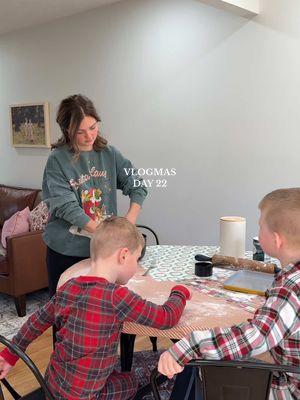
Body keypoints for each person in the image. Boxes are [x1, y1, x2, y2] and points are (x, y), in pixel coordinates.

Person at [0, 217, 191, 400]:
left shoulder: (69, 287)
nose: (137, 268)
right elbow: (166, 318)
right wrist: (179, 292)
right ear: (124, 255)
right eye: (137, 259)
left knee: (111, 369)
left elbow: (35, 322)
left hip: (52, 386)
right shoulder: (117, 297)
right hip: (91, 396)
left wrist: (9, 355)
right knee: (135, 377)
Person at [158, 188, 300, 400]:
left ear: (277, 240)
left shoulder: (290, 287)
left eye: (260, 226)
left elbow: (256, 336)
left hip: (291, 388)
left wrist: (190, 344)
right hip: (288, 366)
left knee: (201, 365)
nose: (258, 229)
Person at [42, 94, 147, 297]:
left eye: (93, 127)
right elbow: (66, 207)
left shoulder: (109, 154)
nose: (89, 137)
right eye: (80, 132)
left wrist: (129, 224)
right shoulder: (57, 160)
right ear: (67, 131)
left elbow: (137, 185)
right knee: (65, 315)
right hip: (67, 251)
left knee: (105, 314)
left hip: (105, 253)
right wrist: (108, 236)